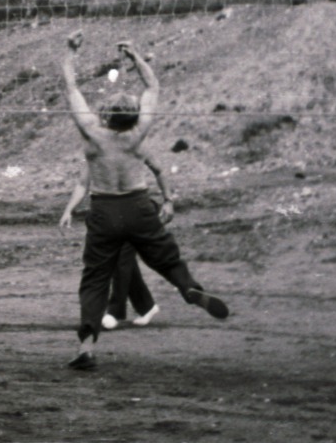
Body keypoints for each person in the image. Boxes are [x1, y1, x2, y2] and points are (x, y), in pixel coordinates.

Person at [59, 32, 228, 371]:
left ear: (106, 115)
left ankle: (87, 345)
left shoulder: (93, 133)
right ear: (133, 116)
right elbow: (153, 89)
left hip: (105, 209)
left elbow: (71, 88)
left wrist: (71, 51)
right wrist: (135, 56)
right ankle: (189, 289)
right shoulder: (139, 134)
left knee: (95, 278)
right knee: (166, 258)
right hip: (138, 205)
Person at [59, 164, 158, 330]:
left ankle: (115, 312)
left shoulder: (125, 152)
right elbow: (83, 184)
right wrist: (68, 210)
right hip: (107, 218)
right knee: (124, 262)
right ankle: (147, 306)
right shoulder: (95, 154)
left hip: (132, 213)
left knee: (121, 261)